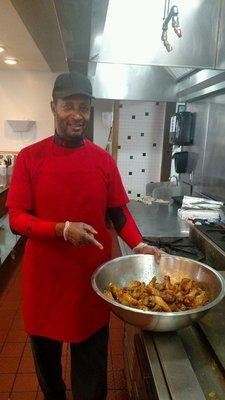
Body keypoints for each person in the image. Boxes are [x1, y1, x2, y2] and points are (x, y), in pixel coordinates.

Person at [6, 71, 161, 400]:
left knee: (90, 379)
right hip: (44, 283)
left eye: (84, 108)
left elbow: (118, 211)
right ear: (53, 107)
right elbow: (17, 219)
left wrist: (139, 243)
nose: (77, 115)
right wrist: (61, 229)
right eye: (68, 106)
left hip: (89, 282)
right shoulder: (30, 159)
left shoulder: (103, 160)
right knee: (49, 377)